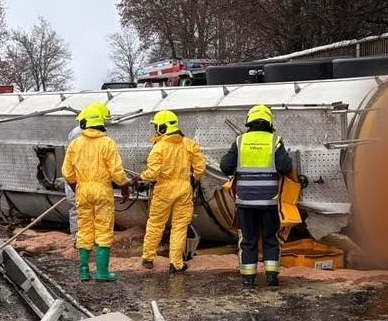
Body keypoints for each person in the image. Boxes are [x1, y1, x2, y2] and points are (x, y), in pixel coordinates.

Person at [220, 104, 293, 288]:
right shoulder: (275, 140)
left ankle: (248, 279)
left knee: (248, 239)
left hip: (245, 201)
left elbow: (225, 166)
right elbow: (285, 167)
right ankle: (271, 277)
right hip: (269, 201)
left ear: (249, 120)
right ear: (269, 121)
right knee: (270, 238)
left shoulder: (240, 141)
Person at [61, 102, 129, 282]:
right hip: (102, 190)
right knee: (103, 229)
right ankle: (102, 272)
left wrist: (77, 188)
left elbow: (67, 172)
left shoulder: (75, 144)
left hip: (82, 190)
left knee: (84, 229)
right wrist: (124, 187)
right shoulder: (107, 143)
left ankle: (84, 272)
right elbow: (116, 171)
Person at [138, 110, 205, 273]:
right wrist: (195, 178)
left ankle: (148, 258)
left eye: (156, 126)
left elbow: (152, 173)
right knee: (180, 226)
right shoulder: (189, 144)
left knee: (155, 224)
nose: (155, 130)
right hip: (184, 189)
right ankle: (176, 263)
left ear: (162, 128)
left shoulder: (159, 147)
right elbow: (200, 168)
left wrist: (141, 177)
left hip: (163, 190)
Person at [63, 120, 84, 238]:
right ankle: (77, 236)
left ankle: (78, 237)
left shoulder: (76, 133)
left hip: (78, 181)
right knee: (77, 208)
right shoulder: (79, 135)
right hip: (78, 180)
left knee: (77, 208)